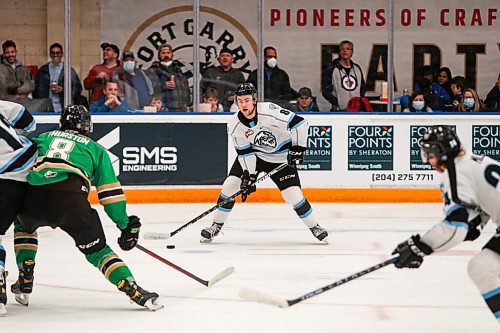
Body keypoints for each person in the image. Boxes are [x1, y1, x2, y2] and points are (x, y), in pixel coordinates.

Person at [16, 105, 162, 311]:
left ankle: (25, 275)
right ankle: (133, 289)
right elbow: (110, 194)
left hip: (34, 195)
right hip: (71, 199)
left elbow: (18, 165)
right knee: (98, 251)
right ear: (86, 126)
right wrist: (124, 225)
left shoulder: (43, 137)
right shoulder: (95, 149)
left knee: (23, 226)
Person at [391, 125, 500, 322]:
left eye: (430, 154)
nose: (429, 161)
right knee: (482, 267)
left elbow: (454, 227)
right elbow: (483, 205)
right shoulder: (472, 161)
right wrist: (473, 225)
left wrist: (420, 246)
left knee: (482, 268)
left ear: (441, 152)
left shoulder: (455, 171)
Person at [200, 83, 328, 244]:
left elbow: (300, 123)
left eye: (247, 100)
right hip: (256, 155)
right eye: (240, 101)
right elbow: (245, 153)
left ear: (254, 100)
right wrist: (250, 176)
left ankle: (315, 226)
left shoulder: (269, 111)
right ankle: (215, 226)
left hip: (280, 158)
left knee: (293, 195)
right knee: (230, 185)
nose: (243, 104)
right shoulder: (234, 124)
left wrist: (298, 148)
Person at [0, 101, 38, 315]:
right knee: (25, 224)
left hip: (4, 176)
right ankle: (26, 276)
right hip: (29, 167)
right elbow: (29, 123)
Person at [33, 42, 83, 113]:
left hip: (63, 108)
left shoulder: (68, 70)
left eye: (58, 53)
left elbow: (78, 89)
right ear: (50, 54)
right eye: (53, 53)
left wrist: (63, 89)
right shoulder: (43, 70)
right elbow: (35, 90)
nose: (55, 55)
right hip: (46, 109)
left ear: (62, 54)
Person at [322, 40, 366, 111]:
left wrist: (359, 102)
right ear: (339, 52)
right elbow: (325, 90)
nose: (345, 51)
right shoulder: (332, 68)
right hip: (338, 110)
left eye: (348, 49)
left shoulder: (357, 68)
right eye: (342, 49)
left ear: (352, 52)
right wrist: (336, 102)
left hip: (356, 110)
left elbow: (363, 87)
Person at [146, 44, 190, 112]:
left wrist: (187, 103)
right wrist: (164, 85)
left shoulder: (179, 69)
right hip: (165, 109)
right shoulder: (153, 70)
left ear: (172, 54)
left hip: (182, 108)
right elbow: (149, 87)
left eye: (168, 53)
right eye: (163, 53)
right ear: (159, 55)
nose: (166, 55)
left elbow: (186, 87)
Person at [0, 40, 35, 107]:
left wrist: (16, 90)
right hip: (7, 105)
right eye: (7, 52)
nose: (10, 55)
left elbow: (31, 86)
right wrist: (20, 84)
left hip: (24, 103)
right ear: (4, 54)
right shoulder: (1, 69)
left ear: (16, 52)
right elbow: (5, 88)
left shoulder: (24, 69)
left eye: (12, 52)